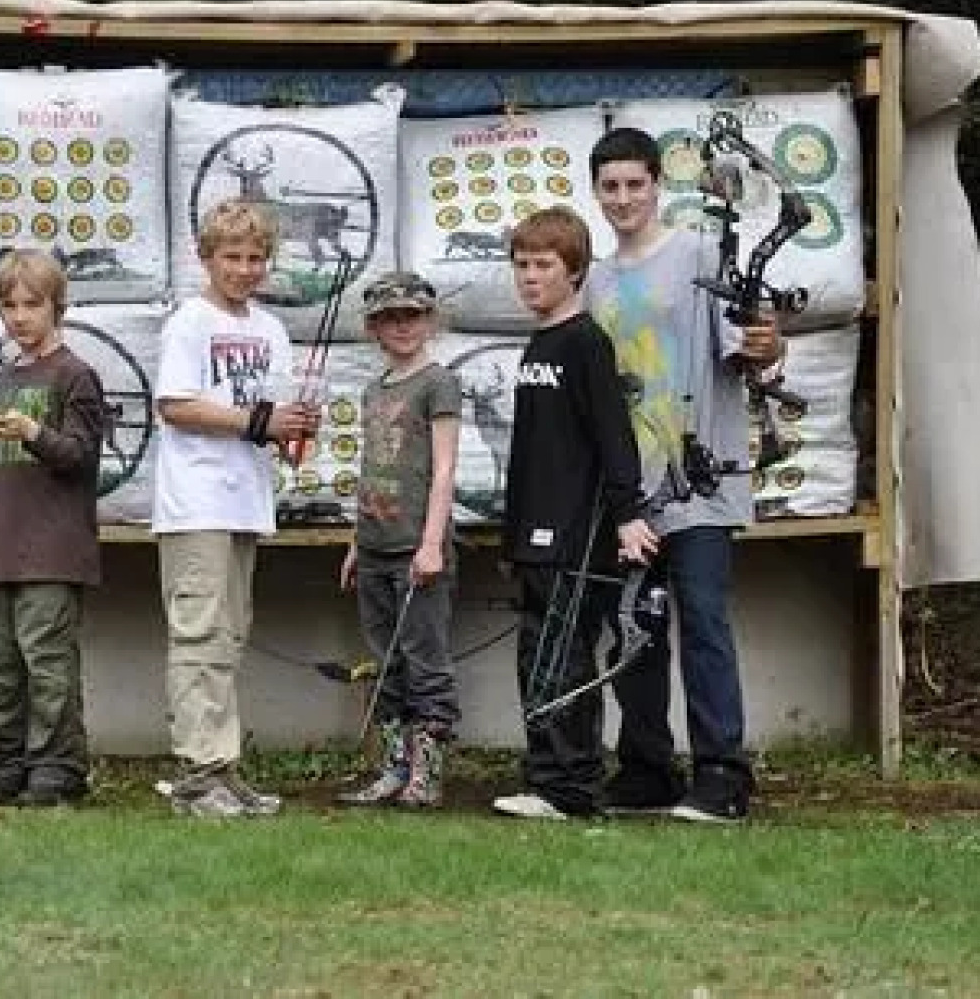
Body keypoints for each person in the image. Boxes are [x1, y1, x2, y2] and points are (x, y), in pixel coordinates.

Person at [583, 128, 786, 823]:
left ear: (656, 186)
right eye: (610, 187)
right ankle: (646, 768)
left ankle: (721, 773)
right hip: (629, 488)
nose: (623, 199)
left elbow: (749, 346)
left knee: (701, 620)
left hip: (699, 477)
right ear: (596, 192)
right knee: (634, 627)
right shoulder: (596, 281)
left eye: (634, 184)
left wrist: (766, 345)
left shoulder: (701, 253)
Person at [485, 206, 658, 821]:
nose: (530, 277)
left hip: (572, 536)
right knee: (537, 655)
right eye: (521, 265)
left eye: (543, 265)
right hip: (533, 536)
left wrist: (627, 513)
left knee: (563, 658)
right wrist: (512, 539)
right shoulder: (540, 344)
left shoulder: (586, 343)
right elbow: (533, 454)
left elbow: (614, 435)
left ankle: (570, 786)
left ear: (576, 271)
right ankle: (547, 775)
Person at [152, 199, 320, 818]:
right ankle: (197, 777)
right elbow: (175, 405)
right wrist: (258, 422)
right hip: (196, 503)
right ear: (206, 258)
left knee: (230, 636)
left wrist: (292, 428)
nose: (245, 269)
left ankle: (222, 767)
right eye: (232, 257)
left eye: (255, 258)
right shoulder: (189, 322)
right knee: (199, 633)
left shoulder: (271, 329)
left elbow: (269, 413)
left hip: (247, 501)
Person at [0, 249, 104, 807]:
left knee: (47, 665)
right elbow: (12, 462)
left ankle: (58, 767)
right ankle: (7, 762)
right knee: (1, 666)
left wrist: (35, 433)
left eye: (31, 304)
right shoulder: (6, 376)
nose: (19, 316)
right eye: (8, 306)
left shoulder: (76, 375)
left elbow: (81, 458)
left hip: (54, 550)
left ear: (57, 306)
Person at [335, 271, 462, 809]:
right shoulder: (374, 389)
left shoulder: (438, 383)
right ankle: (393, 766)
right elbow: (372, 469)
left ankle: (426, 773)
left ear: (430, 321)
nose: (402, 326)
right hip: (375, 545)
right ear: (373, 329)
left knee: (424, 661)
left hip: (416, 546)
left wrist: (431, 543)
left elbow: (444, 468)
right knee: (386, 662)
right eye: (390, 319)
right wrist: (356, 542)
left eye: (412, 316)